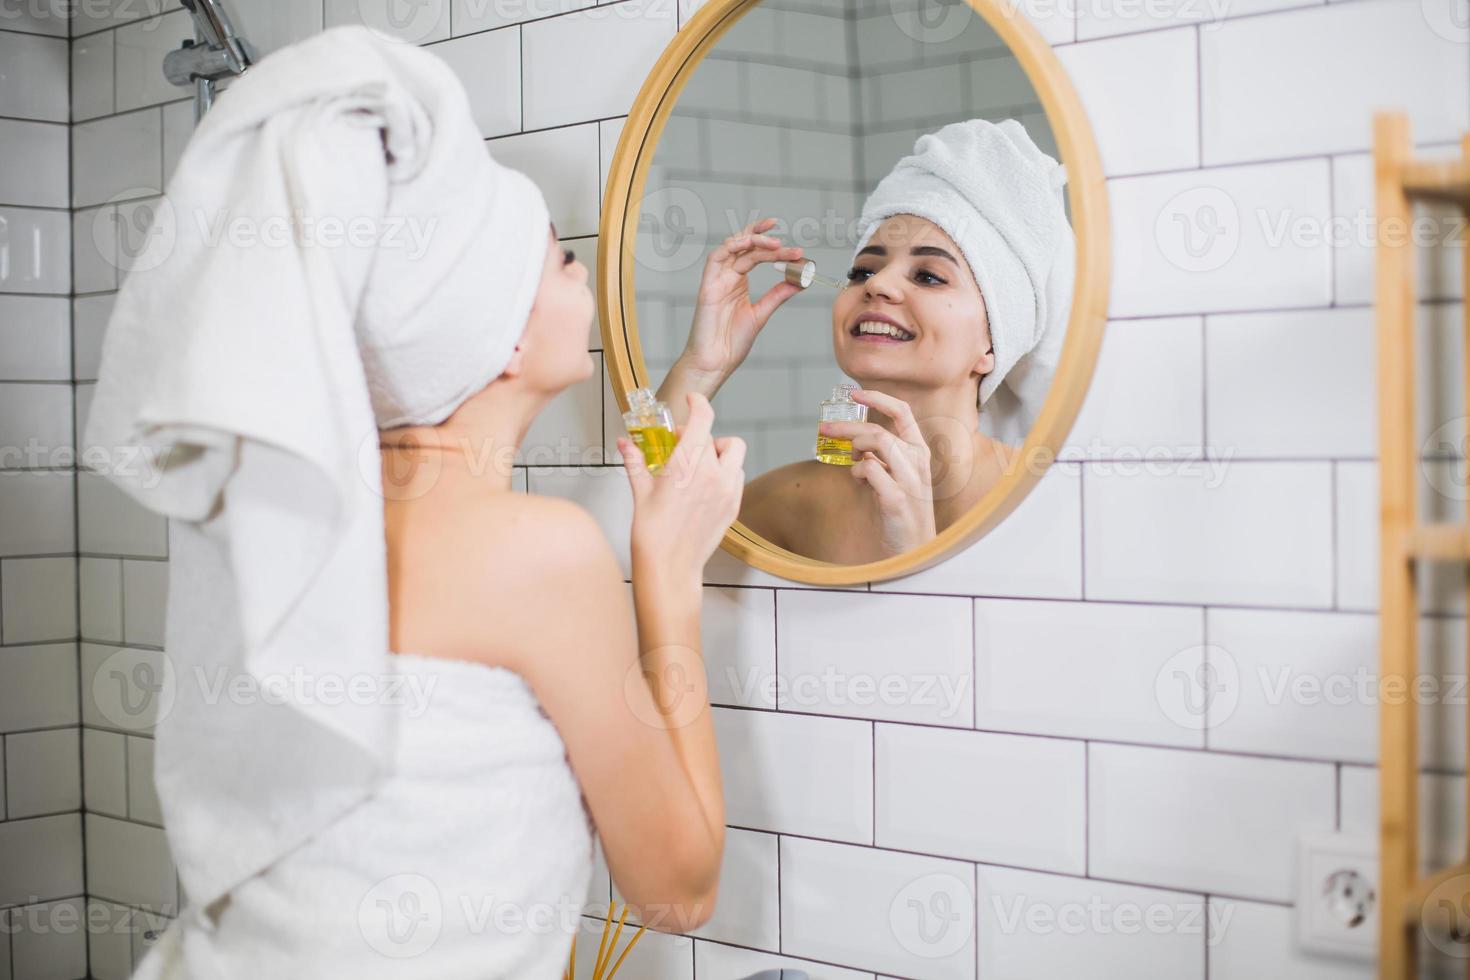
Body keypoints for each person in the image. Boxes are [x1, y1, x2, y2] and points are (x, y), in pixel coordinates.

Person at [84, 26, 737, 979]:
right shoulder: (537, 553)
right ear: (499, 337)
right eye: (558, 259)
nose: (582, 274)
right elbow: (680, 890)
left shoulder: (279, 529)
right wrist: (671, 577)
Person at [656, 118, 1075, 563]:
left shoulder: (1046, 502)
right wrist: (704, 363)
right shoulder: (794, 503)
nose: (878, 286)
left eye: (929, 276)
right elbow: (659, 526)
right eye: (863, 271)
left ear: (993, 346)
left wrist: (914, 552)